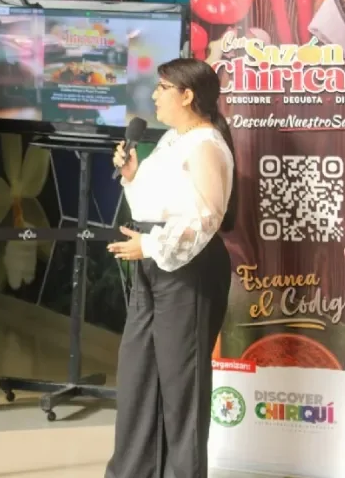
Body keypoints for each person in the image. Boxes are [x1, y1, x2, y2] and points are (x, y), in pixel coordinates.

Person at [105, 58, 238, 478]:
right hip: (155, 262)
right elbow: (152, 205)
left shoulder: (206, 144)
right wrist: (132, 175)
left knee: (183, 386)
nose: (155, 95)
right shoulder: (171, 141)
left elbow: (206, 217)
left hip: (190, 268)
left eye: (163, 87)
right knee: (139, 375)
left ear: (187, 95)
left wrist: (152, 244)